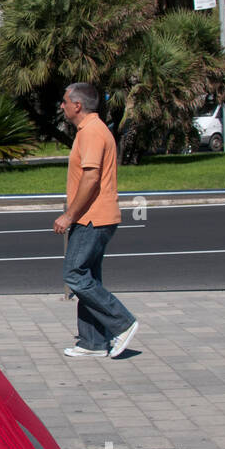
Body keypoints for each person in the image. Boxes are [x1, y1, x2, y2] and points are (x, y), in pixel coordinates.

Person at [53, 82, 139, 358]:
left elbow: (91, 179)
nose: (62, 105)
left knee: (74, 274)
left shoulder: (91, 132)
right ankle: (92, 343)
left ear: (77, 105)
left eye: (65, 101)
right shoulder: (92, 130)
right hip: (97, 217)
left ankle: (122, 323)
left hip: (93, 218)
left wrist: (69, 215)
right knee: (88, 276)